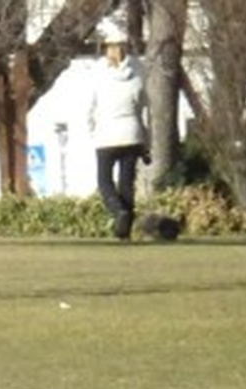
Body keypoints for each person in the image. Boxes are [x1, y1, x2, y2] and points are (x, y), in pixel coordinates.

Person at [88, 24, 148, 242]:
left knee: (104, 181)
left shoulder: (98, 73)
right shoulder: (138, 72)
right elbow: (142, 105)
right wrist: (145, 139)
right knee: (126, 183)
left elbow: (89, 105)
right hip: (132, 133)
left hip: (106, 134)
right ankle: (125, 230)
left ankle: (117, 211)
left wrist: (90, 130)